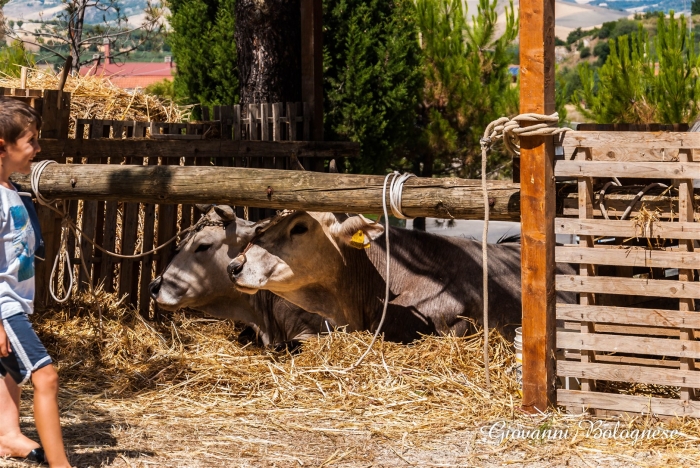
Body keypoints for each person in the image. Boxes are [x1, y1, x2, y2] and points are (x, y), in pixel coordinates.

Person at [0, 97, 71, 468]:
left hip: (15, 303)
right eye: (31, 141)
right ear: (2, 147)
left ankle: (7, 435)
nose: (39, 149)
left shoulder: (12, 190)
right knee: (46, 376)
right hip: (4, 306)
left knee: (8, 367)